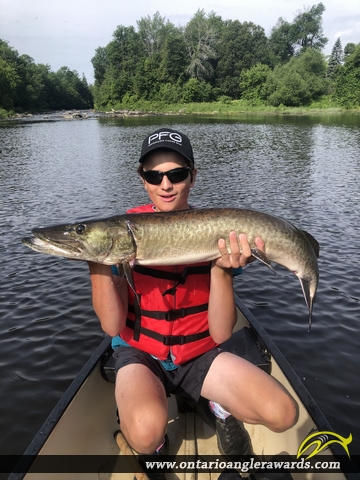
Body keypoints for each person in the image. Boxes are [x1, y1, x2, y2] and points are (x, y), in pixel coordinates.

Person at [88, 128, 298, 477]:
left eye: (177, 173)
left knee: (283, 413)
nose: (166, 184)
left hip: (199, 352)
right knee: (143, 431)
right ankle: (154, 442)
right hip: (141, 352)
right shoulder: (119, 233)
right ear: (143, 181)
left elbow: (219, 332)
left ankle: (218, 406)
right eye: (154, 175)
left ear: (193, 176)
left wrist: (222, 272)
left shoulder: (219, 234)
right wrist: (95, 257)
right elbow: (112, 326)